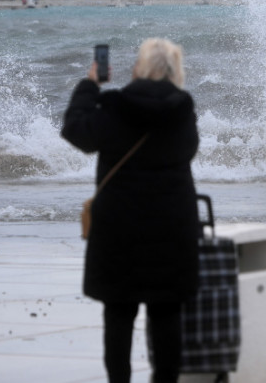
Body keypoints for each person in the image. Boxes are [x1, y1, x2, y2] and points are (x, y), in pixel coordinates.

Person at [61, 38, 201, 383]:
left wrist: (90, 85)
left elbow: (76, 131)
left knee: (119, 314)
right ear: (175, 70)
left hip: (118, 229)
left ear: (139, 67)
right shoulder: (183, 111)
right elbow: (189, 150)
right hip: (172, 227)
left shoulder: (114, 106)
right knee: (167, 313)